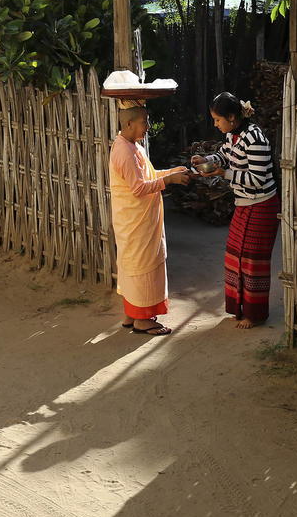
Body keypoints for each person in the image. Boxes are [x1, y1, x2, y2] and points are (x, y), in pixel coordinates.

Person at [192, 92, 279, 329]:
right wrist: (205, 159)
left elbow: (258, 179)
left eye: (218, 119)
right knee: (235, 257)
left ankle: (255, 314)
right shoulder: (233, 135)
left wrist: (223, 174)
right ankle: (240, 308)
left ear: (231, 117)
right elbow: (223, 155)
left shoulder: (255, 138)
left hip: (262, 205)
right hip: (244, 203)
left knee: (252, 261)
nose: (215, 124)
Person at [110, 101, 190, 336]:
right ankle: (143, 320)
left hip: (138, 220)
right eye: (144, 122)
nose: (148, 126)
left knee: (134, 266)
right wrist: (170, 181)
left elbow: (150, 175)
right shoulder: (125, 151)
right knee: (141, 267)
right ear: (128, 123)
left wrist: (173, 172)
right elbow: (138, 188)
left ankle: (132, 314)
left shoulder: (133, 146)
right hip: (135, 222)